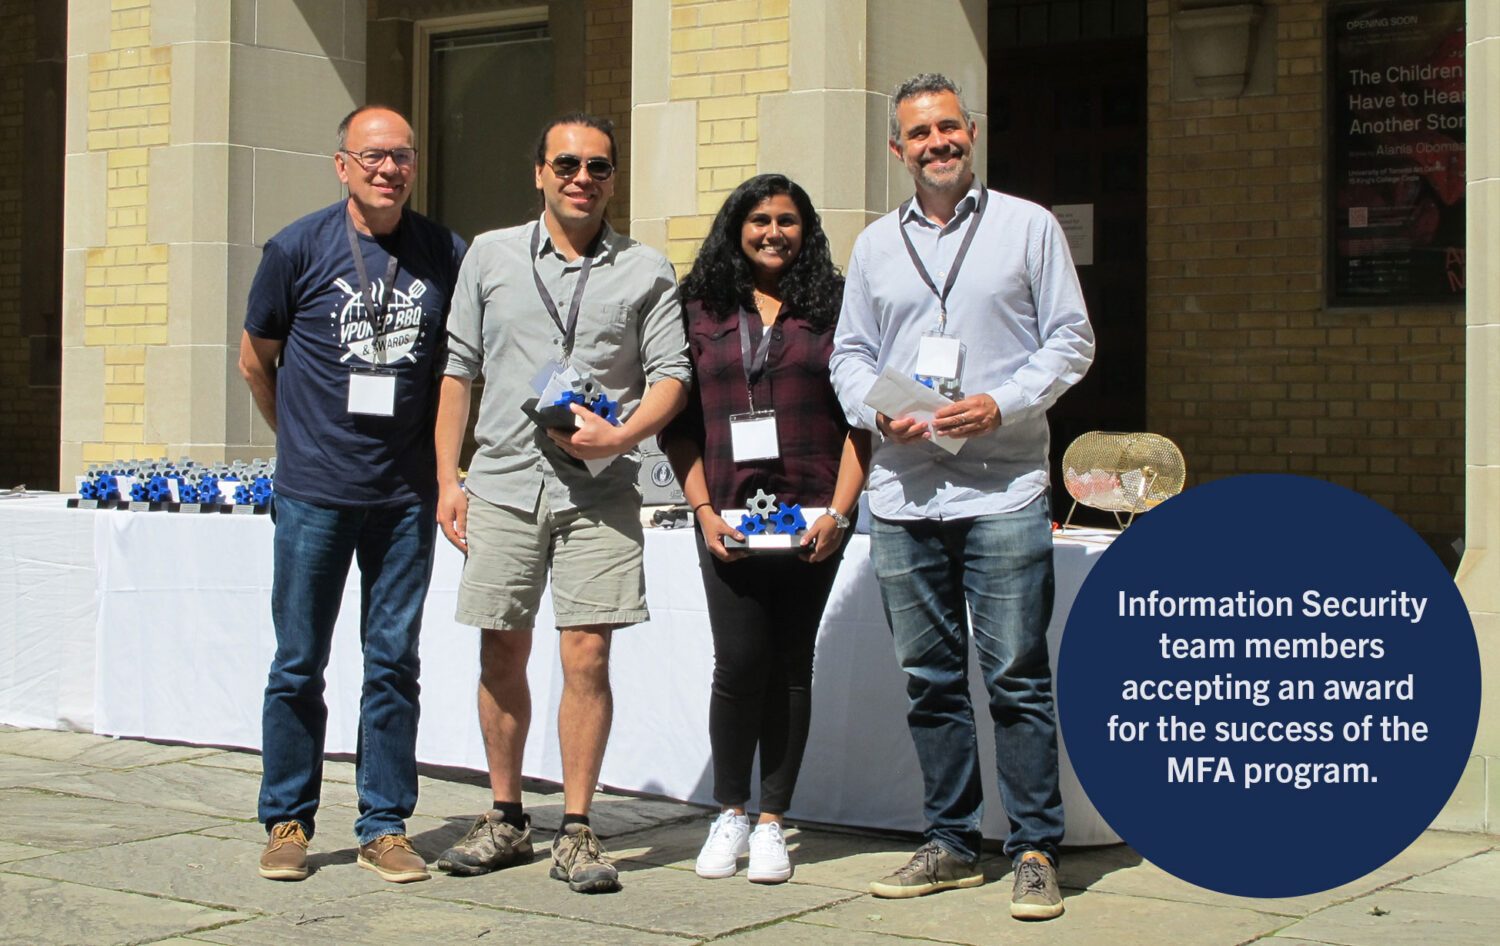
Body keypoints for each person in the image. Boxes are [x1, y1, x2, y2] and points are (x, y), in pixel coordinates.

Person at [829, 74, 1094, 920]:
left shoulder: (1028, 226)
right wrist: (887, 409)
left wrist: (1001, 403)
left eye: (950, 128)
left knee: (1016, 675)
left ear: (970, 134)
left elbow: (1071, 339)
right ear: (897, 148)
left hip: (1004, 486)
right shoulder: (873, 246)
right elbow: (849, 358)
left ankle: (1033, 850)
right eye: (921, 132)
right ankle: (948, 841)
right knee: (931, 680)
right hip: (905, 495)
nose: (938, 143)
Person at [432, 113, 691, 894]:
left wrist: (622, 438)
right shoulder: (490, 255)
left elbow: (671, 375)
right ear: (539, 172)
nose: (584, 178)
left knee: (588, 654)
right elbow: (457, 371)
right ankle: (506, 817)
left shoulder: (646, 269)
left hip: (600, 493)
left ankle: (577, 829)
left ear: (615, 178)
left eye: (600, 167)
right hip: (505, 483)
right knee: (501, 650)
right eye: (568, 164)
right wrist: (449, 477)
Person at [239, 105, 466, 884]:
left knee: (393, 661)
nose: (386, 170)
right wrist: (298, 439)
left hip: (404, 499)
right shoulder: (296, 248)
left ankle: (383, 824)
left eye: (400, 156)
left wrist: (446, 475)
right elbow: (253, 359)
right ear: (342, 165)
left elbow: (456, 372)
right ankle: (288, 820)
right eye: (371, 157)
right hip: (314, 494)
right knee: (298, 663)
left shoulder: (444, 253)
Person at [661, 174, 871, 884]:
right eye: (759, 219)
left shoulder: (836, 308)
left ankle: (775, 821)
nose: (773, 231)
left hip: (814, 516)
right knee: (738, 664)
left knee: (790, 666)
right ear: (735, 228)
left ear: (806, 230)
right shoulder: (699, 309)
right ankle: (729, 812)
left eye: (787, 220)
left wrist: (841, 514)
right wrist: (701, 511)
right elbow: (677, 425)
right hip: (727, 513)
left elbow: (860, 422)